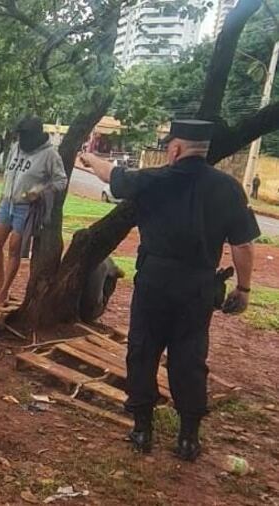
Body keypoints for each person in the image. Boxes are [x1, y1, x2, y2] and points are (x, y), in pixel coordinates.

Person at [80, 119, 260, 462]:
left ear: (175, 149)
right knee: (190, 357)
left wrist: (89, 159)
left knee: (143, 350)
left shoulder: (155, 179)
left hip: (155, 281)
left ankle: (142, 429)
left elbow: (111, 176)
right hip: (198, 285)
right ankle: (188, 438)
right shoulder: (228, 188)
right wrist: (245, 288)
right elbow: (244, 245)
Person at [0, 117, 67, 305]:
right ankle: (0, 279)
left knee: (14, 248)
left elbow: (61, 181)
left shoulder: (50, 155)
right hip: (8, 202)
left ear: (34, 136)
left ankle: (4, 290)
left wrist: (40, 191)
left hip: (27, 207)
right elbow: (8, 175)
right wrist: (1, 201)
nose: (21, 139)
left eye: (24, 135)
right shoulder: (15, 148)